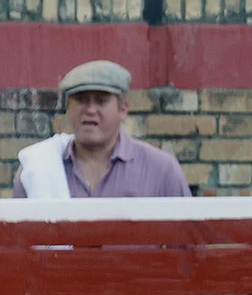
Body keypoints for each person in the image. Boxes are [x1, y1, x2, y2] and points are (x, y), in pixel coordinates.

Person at [14, 60, 189, 198]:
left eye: (101, 101)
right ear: (68, 108)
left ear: (123, 109)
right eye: (81, 100)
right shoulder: (38, 170)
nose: (90, 110)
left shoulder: (161, 170)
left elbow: (189, 241)